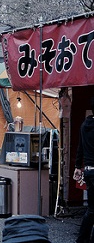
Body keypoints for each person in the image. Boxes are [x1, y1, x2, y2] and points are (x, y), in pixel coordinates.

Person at [74, 96, 94, 243]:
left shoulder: (84, 125)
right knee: (93, 209)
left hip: (88, 170)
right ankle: (83, 239)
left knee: (92, 208)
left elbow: (80, 147)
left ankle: (83, 239)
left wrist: (76, 166)